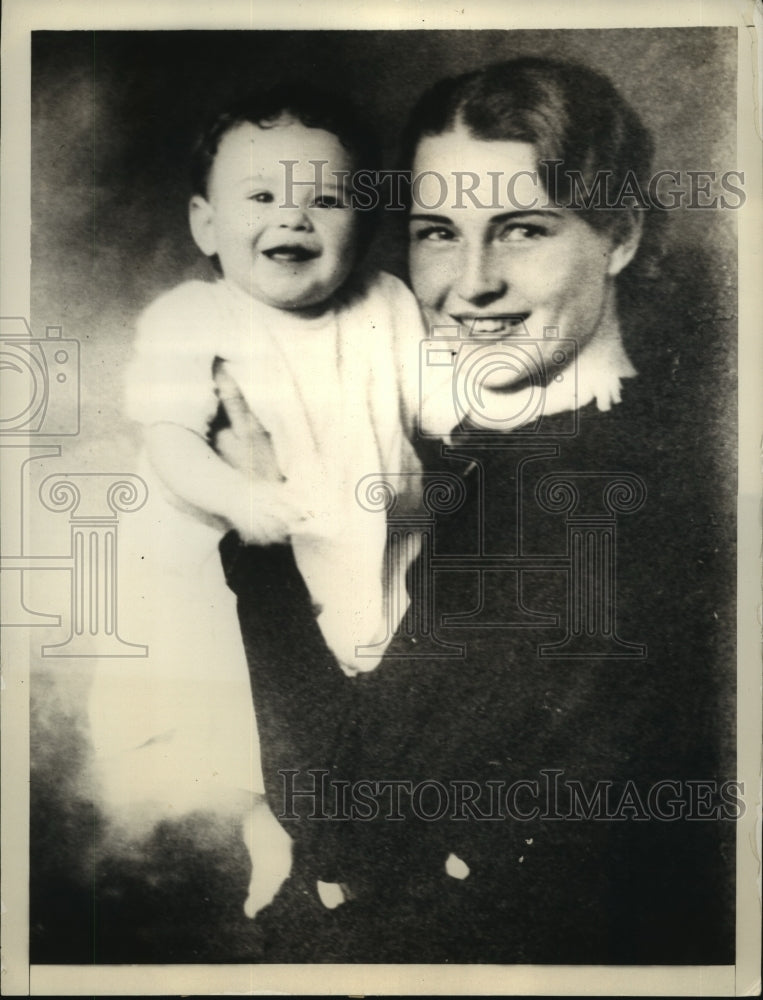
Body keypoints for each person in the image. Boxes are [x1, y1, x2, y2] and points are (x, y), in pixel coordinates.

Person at [220, 57, 735, 963]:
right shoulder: (564, 458)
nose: (470, 282)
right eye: (436, 232)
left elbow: (343, 821)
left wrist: (261, 532)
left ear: (617, 235)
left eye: (521, 229)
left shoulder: (581, 496)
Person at [91, 85, 431, 919]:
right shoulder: (191, 317)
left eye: (325, 199)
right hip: (238, 555)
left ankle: (353, 845)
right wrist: (239, 496)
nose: (294, 218)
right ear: (206, 225)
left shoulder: (387, 304)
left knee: (374, 706)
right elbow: (169, 439)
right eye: (263, 197)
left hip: (365, 546)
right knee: (250, 710)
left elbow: (438, 402)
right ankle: (268, 827)